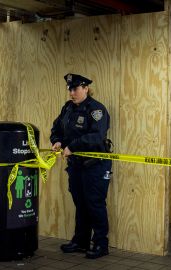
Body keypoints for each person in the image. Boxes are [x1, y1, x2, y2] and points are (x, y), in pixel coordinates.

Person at [50, 73, 112, 259]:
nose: (71, 93)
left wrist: (73, 146)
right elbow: (57, 128)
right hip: (76, 165)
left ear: (85, 88)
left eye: (75, 89)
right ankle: (81, 241)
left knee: (94, 203)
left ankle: (101, 244)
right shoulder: (68, 108)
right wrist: (57, 141)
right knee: (81, 203)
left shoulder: (96, 110)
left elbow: (96, 136)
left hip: (95, 166)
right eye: (69, 89)